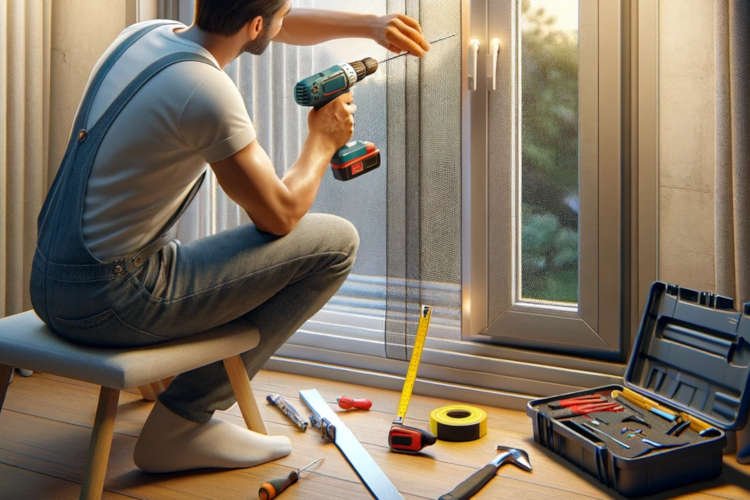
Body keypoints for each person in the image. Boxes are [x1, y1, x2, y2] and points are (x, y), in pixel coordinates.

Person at [29, 0, 429, 473]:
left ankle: (176, 395)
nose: (286, 18)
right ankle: (183, 423)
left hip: (48, 283)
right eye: (281, 12)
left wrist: (371, 25)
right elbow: (279, 216)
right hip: (110, 301)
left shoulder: (144, 35)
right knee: (335, 244)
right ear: (257, 25)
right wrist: (322, 142)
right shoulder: (205, 90)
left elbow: (268, 21)